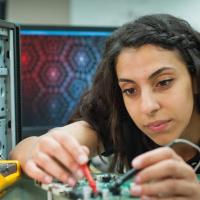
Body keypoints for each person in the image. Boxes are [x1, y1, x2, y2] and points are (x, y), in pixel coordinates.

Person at [10, 13, 200, 199]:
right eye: (130, 90)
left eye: (164, 82)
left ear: (195, 80)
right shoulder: (121, 119)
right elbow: (28, 149)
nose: (148, 107)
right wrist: (38, 151)